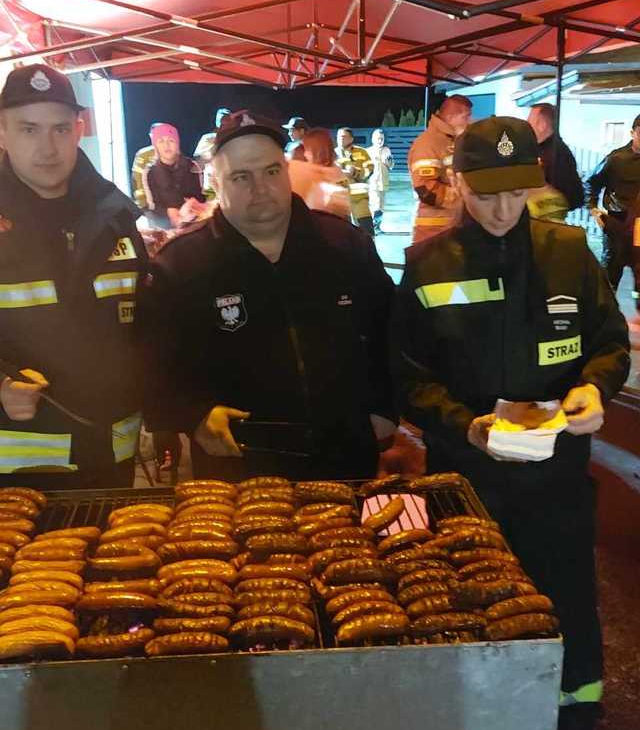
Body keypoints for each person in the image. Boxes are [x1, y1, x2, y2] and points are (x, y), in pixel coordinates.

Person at [394, 115, 630, 715]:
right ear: (458, 182)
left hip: (557, 469)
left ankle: (577, 690)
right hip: (466, 475)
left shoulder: (569, 252)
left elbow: (608, 345)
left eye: (518, 192)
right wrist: (464, 423)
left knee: (565, 581)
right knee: (470, 587)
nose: (503, 210)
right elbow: (406, 376)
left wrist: (595, 390)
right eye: (487, 193)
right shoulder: (428, 263)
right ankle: (477, 703)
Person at [138, 111, 396, 481]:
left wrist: (385, 410)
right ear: (216, 182)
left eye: (271, 171)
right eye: (241, 177)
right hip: (238, 470)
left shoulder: (346, 246)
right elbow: (152, 370)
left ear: (287, 171)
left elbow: (391, 334)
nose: (260, 188)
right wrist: (193, 416)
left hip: (346, 461)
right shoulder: (179, 267)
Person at [0, 64, 147, 487]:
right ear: (4, 133)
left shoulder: (117, 216)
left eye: (60, 129)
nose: (48, 147)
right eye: (30, 129)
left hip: (112, 457)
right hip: (18, 469)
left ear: (79, 129)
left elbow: (147, 326)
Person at [587, 113, 640, 322]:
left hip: (639, 227)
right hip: (616, 225)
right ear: (632, 133)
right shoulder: (616, 159)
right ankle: (602, 320)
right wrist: (593, 210)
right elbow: (591, 183)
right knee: (610, 275)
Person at [407, 95, 472, 243]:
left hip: (452, 226)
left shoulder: (452, 141)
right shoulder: (428, 143)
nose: (469, 122)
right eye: (466, 117)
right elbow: (425, 190)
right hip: (434, 231)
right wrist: (466, 196)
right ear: (450, 117)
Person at [526, 102, 584, 222]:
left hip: (546, 226)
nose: (526, 127)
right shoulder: (537, 150)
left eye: (529, 122)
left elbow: (574, 197)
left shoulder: (558, 154)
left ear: (542, 125)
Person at [143, 122, 205, 229]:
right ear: (155, 146)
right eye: (161, 141)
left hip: (194, 224)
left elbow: (202, 198)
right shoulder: (150, 172)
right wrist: (168, 212)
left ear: (177, 144)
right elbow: (152, 206)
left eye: (171, 140)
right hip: (166, 227)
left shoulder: (193, 166)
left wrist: (195, 205)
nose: (166, 145)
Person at [288, 127, 350, 218]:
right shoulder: (337, 172)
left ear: (317, 151)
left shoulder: (305, 171)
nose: (305, 154)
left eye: (308, 149)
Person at [335, 127, 374, 235]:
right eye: (338, 137)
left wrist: (356, 173)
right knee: (343, 233)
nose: (340, 139)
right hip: (341, 200)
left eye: (343, 136)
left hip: (359, 200)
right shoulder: (332, 154)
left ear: (351, 139)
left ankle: (368, 250)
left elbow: (370, 170)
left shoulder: (362, 152)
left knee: (366, 231)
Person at [368, 128, 395, 233]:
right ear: (373, 139)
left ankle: (378, 226)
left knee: (382, 206)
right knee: (376, 204)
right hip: (373, 183)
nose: (380, 141)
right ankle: (373, 227)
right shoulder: (368, 151)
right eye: (378, 138)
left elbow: (391, 165)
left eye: (382, 139)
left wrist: (388, 161)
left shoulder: (387, 150)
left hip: (384, 182)